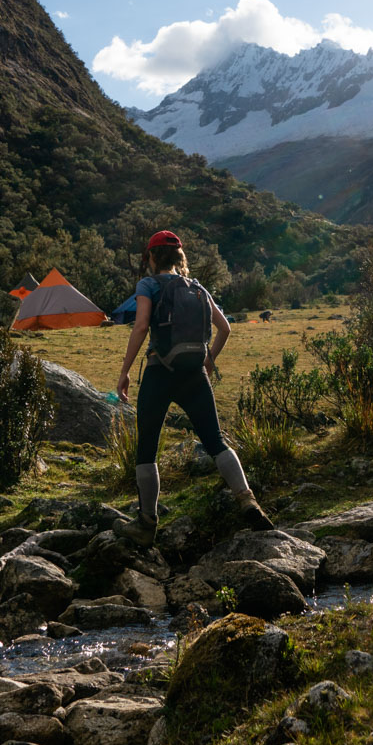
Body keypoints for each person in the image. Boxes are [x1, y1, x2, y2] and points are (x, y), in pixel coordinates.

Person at [115, 230, 273, 545]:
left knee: (146, 447)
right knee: (215, 441)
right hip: (194, 374)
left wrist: (125, 372)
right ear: (178, 258)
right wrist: (208, 359)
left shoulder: (147, 285)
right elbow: (224, 327)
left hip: (160, 373)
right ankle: (247, 499)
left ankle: (146, 525)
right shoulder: (197, 287)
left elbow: (142, 325)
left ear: (151, 257)